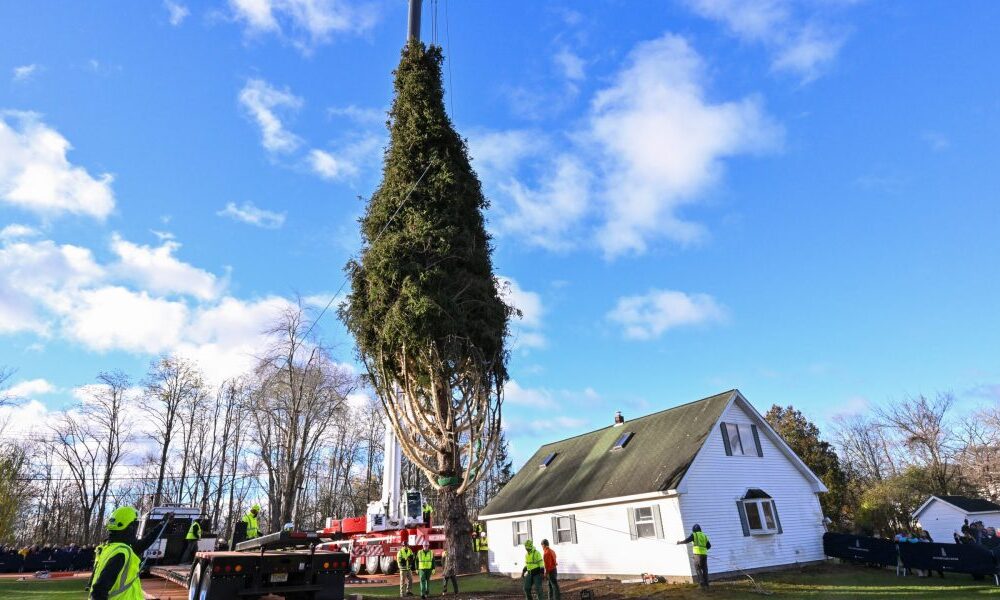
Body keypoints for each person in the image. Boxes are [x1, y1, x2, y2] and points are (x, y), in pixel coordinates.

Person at [89, 506, 171, 600]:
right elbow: (98, 590)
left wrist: (162, 523)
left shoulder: (112, 548)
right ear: (130, 527)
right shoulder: (121, 553)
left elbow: (146, 541)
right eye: (136, 525)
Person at [677, 524, 711, 590]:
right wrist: (703, 549)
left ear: (694, 530)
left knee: (698, 569)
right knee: (705, 569)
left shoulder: (694, 535)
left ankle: (702, 584)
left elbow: (687, 540)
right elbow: (709, 546)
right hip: (704, 555)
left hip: (697, 555)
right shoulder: (704, 536)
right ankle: (707, 584)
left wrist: (679, 542)